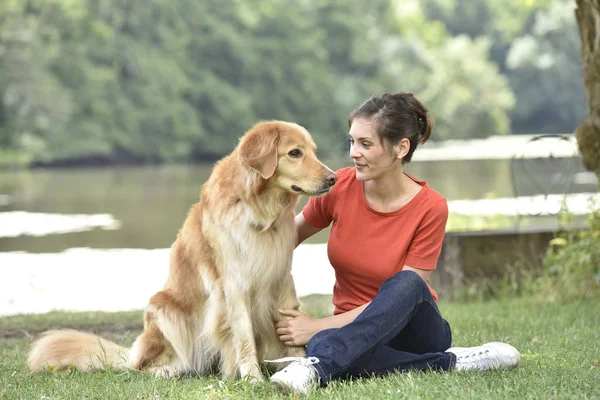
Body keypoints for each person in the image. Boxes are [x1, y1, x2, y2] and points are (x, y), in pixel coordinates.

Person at [265, 92, 520, 394]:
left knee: (409, 283)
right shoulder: (340, 187)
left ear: (401, 148)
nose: (353, 153)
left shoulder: (431, 207)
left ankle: (317, 366)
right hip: (349, 331)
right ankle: (451, 363)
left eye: (366, 144)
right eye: (352, 142)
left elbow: (409, 292)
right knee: (328, 343)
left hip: (415, 332)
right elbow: (283, 240)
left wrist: (316, 326)